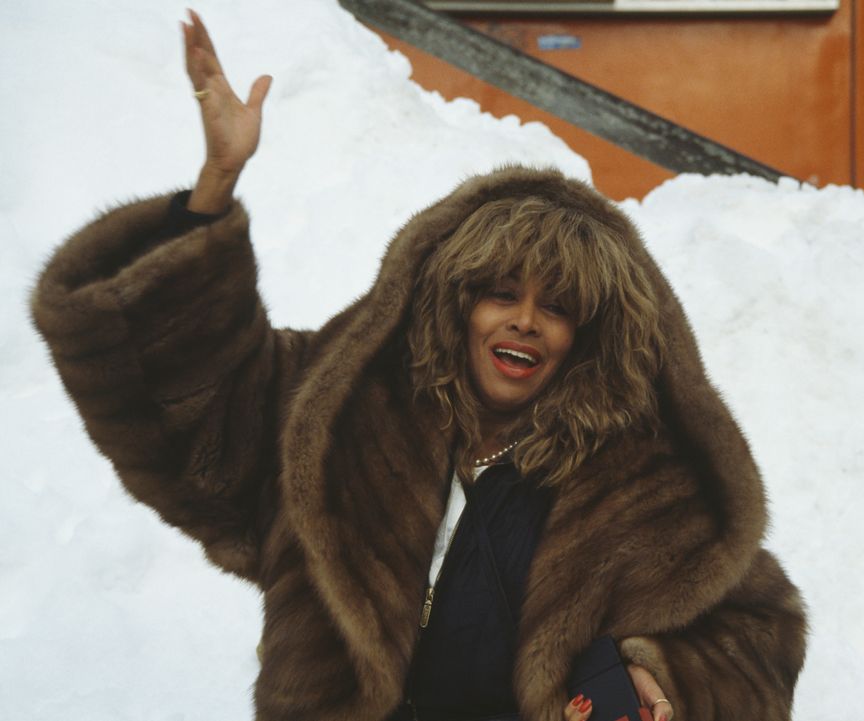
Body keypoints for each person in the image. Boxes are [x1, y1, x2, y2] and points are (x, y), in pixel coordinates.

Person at [31, 10, 806, 721]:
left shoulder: (641, 481)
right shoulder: (336, 418)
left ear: (590, 335)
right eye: (500, 293)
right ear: (456, 303)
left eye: (558, 306)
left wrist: (663, 676)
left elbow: (760, 631)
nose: (525, 321)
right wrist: (214, 190)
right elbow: (184, 408)